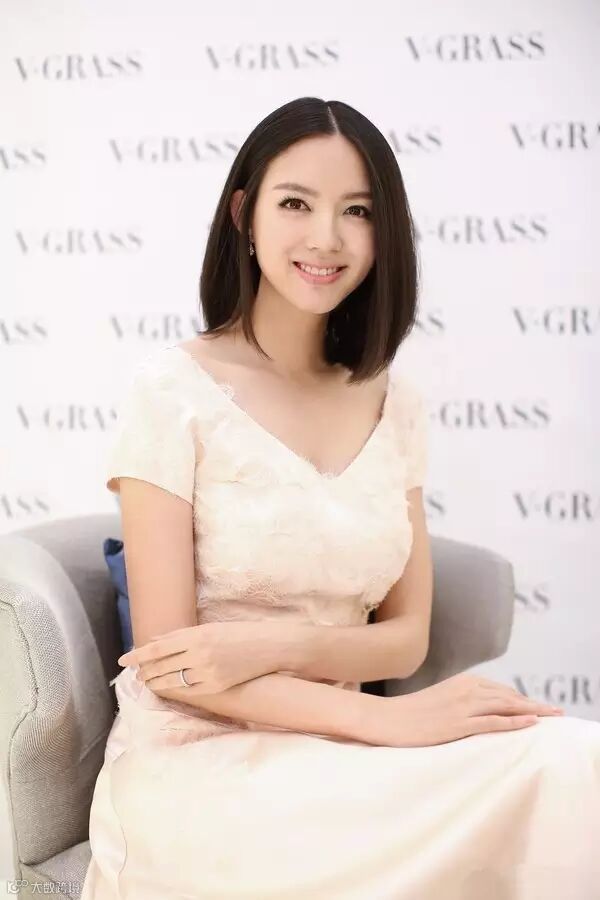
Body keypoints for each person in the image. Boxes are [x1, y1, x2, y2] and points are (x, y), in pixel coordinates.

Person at [81, 97, 600, 900]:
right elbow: (171, 666)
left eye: (357, 212)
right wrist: (388, 719)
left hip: (346, 751)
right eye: (296, 203)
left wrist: (267, 646)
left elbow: (406, 637)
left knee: (575, 763)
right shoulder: (171, 391)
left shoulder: (396, 402)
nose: (327, 237)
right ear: (244, 215)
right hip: (200, 767)